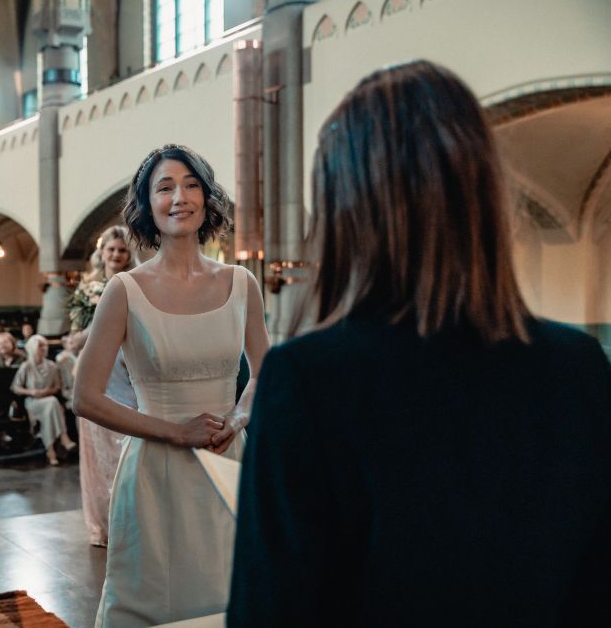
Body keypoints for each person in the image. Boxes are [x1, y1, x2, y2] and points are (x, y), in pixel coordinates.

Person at [228, 61, 611, 626]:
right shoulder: (578, 366)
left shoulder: (308, 378)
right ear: (482, 195)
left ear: (343, 211)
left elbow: (270, 609)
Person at [74, 145, 269, 626]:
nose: (179, 197)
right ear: (147, 204)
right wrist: (176, 432)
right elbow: (85, 396)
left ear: (207, 198)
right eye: (164, 187)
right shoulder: (125, 289)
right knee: (158, 601)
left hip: (228, 462)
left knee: (232, 596)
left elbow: (265, 372)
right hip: (155, 470)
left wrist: (239, 417)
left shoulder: (242, 282)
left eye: (191, 185)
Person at [74, 225, 140, 547]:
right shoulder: (87, 289)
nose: (116, 255)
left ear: (129, 255)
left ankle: (130, 523)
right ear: (101, 252)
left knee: (125, 454)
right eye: (111, 249)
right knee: (97, 461)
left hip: (125, 374)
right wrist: (98, 320)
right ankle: (102, 527)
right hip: (94, 375)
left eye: (122, 250)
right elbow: (75, 338)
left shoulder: (136, 286)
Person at [12, 334, 77, 466]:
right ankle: (64, 437)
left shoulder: (52, 366)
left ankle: (50, 450)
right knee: (53, 404)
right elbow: (15, 387)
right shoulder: (26, 366)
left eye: (45, 345)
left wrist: (46, 392)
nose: (44, 348)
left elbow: (57, 387)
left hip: (48, 401)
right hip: (33, 402)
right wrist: (31, 392)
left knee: (51, 404)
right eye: (40, 345)